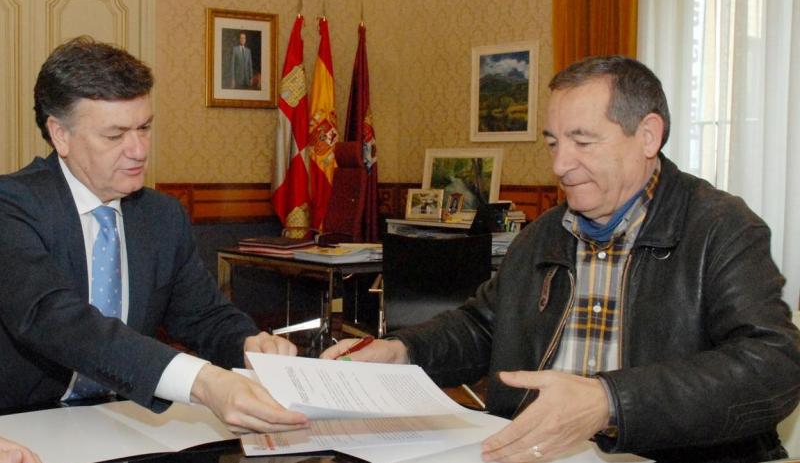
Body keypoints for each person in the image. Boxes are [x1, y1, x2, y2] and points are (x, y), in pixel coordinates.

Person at [323, 55, 800, 463]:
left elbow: (774, 364)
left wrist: (611, 401)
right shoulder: (546, 233)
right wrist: (402, 352)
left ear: (648, 135)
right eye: (553, 143)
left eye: (583, 142)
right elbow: (483, 327)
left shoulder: (720, 227)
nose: (559, 165)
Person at [0, 37, 307, 434]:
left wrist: (249, 344)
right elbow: (56, 320)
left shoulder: (161, 216)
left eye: (144, 128)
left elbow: (203, 315)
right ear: (60, 134)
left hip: (124, 420)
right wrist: (202, 381)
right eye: (115, 135)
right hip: (21, 425)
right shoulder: (12, 205)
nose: (139, 150)